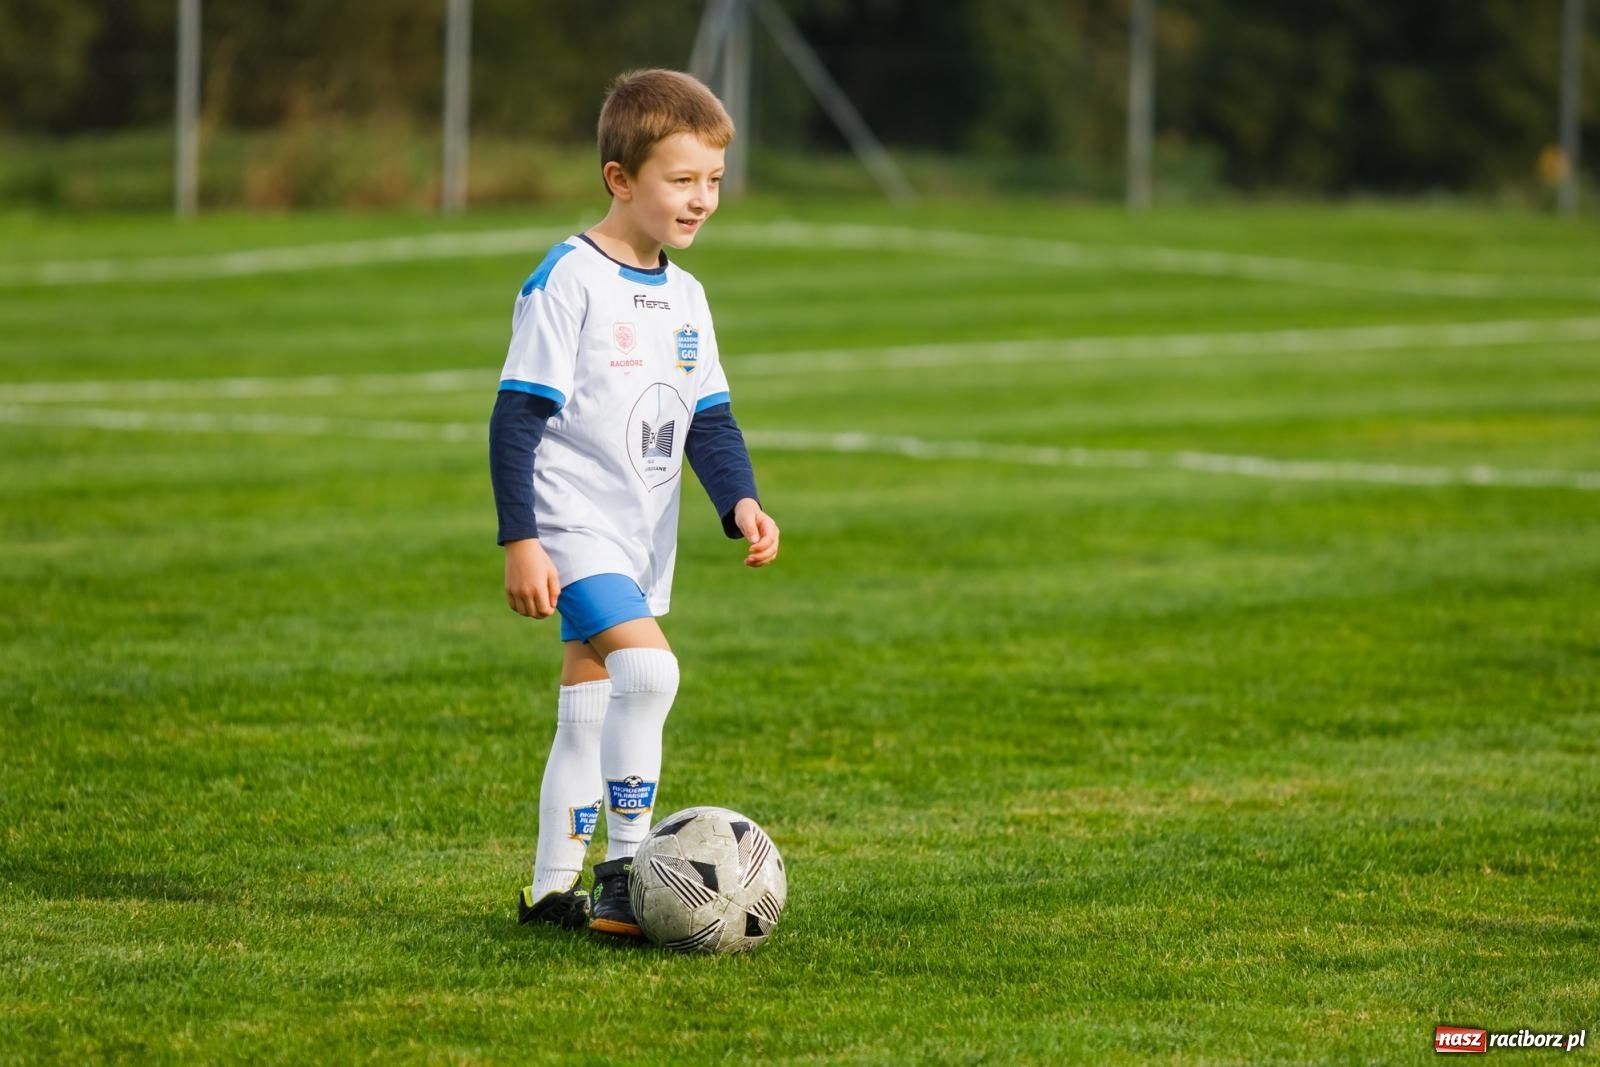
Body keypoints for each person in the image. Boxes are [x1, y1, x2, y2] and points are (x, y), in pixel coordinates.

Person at [488, 69, 780, 939]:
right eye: (681, 181)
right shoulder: (568, 279)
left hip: (641, 536)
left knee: (588, 698)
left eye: (714, 182)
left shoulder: (687, 298)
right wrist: (522, 541)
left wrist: (741, 502)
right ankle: (624, 873)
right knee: (650, 672)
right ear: (621, 179)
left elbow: (709, 418)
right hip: (573, 528)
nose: (702, 201)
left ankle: (549, 891)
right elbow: (516, 417)